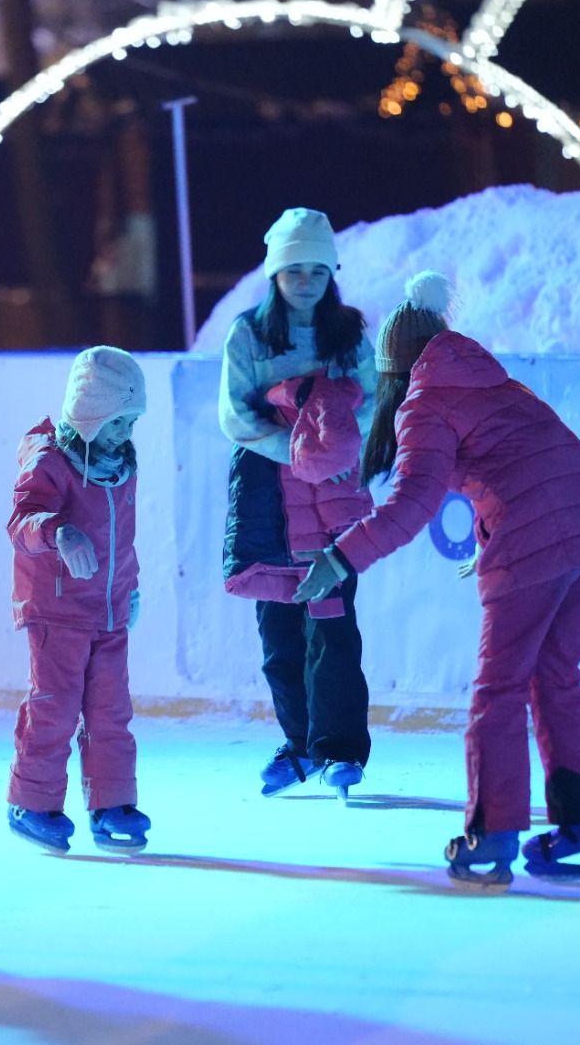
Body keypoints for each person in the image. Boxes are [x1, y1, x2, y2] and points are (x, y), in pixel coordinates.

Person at [295, 272, 580, 891]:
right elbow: (524, 463)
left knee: (496, 690)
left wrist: (340, 559)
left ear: (394, 368)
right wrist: (492, 538)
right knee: (555, 679)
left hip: (541, 539)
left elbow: (411, 504)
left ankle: (492, 832)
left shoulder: (423, 401)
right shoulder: (494, 380)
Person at [219, 207, 378, 803]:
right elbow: (234, 413)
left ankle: (340, 748)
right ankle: (300, 743)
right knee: (279, 633)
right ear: (275, 275)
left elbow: (375, 400)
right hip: (270, 501)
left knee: (334, 631)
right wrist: (296, 449)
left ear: (331, 273)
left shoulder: (350, 333)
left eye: (317, 269)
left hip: (332, 501)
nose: (306, 281)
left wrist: (333, 449)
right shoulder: (248, 334)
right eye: (294, 270)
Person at [7, 346, 151, 855]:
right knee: (55, 709)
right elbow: (20, 525)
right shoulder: (51, 464)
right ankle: (32, 802)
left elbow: (123, 540)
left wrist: (130, 589)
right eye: (117, 421)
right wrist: (59, 533)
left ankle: (110, 803)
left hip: (108, 612)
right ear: (89, 414)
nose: (126, 433)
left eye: (132, 422)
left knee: (112, 712)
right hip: (57, 613)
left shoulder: (121, 466)